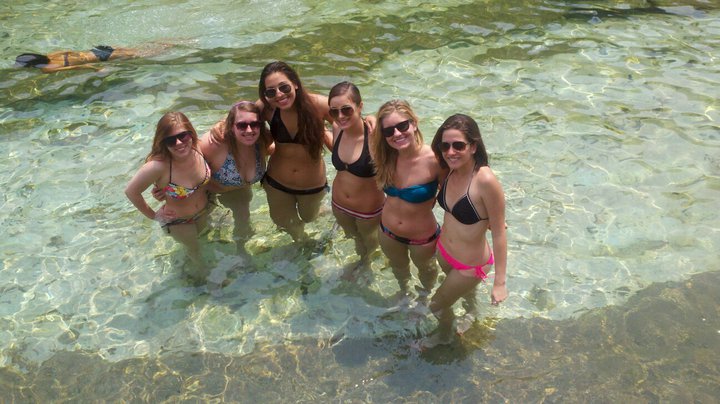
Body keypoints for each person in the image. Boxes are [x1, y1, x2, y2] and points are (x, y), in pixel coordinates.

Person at [423, 113, 508, 348]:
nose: (451, 152)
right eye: (445, 146)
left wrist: (499, 283)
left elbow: (499, 233)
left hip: (470, 266)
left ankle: (444, 336)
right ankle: (472, 310)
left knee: (436, 306)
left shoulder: (485, 180)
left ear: (473, 146)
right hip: (444, 252)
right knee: (462, 295)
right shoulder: (449, 169)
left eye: (458, 145)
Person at [370, 99, 444, 305]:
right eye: (388, 131)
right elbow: (356, 122)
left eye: (402, 126)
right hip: (387, 233)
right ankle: (404, 293)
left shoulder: (435, 159)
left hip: (423, 238)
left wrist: (488, 216)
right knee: (399, 268)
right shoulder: (384, 156)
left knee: (427, 271)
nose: (396, 134)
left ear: (414, 123)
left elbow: (455, 194)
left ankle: (423, 299)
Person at [125, 112, 211, 283]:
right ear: (162, 142)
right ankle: (210, 285)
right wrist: (154, 216)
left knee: (203, 244)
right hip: (180, 221)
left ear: (191, 133)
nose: (178, 143)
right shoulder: (158, 166)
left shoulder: (198, 148)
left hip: (204, 212)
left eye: (182, 136)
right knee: (196, 254)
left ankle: (185, 272)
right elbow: (131, 192)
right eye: (170, 140)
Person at [256, 61, 333, 243]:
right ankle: (302, 242)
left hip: (311, 185)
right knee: (283, 222)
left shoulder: (318, 105)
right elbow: (238, 118)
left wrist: (370, 119)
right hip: (277, 181)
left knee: (309, 217)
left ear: (295, 84)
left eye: (284, 87)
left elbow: (351, 121)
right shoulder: (267, 108)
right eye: (271, 92)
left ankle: (324, 211)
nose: (279, 95)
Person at [328, 82, 385, 280]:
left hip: (367, 211)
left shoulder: (375, 136)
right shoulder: (337, 128)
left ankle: (366, 263)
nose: (340, 116)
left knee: (368, 241)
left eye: (347, 109)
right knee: (352, 236)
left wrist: (375, 118)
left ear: (360, 106)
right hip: (338, 204)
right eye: (334, 111)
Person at [199, 101, 273, 253]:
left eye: (254, 124)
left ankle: (241, 251)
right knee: (202, 232)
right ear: (231, 126)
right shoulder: (214, 143)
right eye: (241, 125)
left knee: (243, 220)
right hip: (207, 192)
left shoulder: (262, 142)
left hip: (239, 190)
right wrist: (167, 187)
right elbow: (177, 157)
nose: (249, 130)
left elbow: (290, 146)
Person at [14, 43, 169, 73]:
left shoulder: (47, 69)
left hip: (101, 58)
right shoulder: (52, 54)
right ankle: (168, 42)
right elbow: (70, 51)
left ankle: (172, 46)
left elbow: (76, 67)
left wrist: (96, 69)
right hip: (97, 50)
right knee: (139, 48)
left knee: (143, 54)